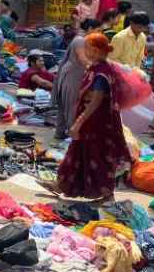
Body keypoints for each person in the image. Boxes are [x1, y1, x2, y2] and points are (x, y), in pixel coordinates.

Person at [49, 33, 131, 202]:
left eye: (87, 48)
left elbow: (95, 101)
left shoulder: (101, 73)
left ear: (95, 50)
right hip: (91, 122)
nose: (85, 51)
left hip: (96, 124)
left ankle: (107, 195)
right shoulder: (98, 68)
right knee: (78, 155)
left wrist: (78, 123)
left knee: (97, 159)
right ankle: (61, 185)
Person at [52, 30, 89, 141]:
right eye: (98, 29)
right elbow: (83, 59)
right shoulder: (80, 40)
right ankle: (72, 134)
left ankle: (60, 133)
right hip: (72, 76)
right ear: (91, 28)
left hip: (72, 75)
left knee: (65, 106)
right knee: (71, 106)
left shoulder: (82, 39)